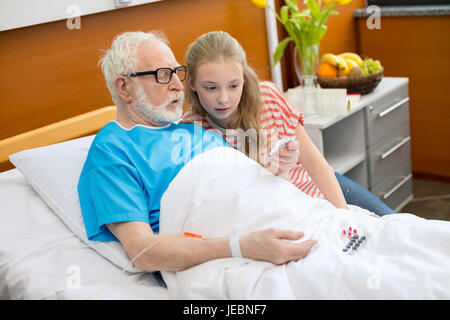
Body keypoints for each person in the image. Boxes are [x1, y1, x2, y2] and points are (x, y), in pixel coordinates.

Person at [77, 31, 317, 273]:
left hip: (284, 221)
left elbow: (245, 191)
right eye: (162, 75)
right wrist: (241, 247)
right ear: (124, 87)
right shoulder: (114, 150)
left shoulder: (194, 131)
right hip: (234, 255)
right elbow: (142, 252)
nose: (176, 85)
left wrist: (279, 170)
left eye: (176, 73)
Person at [181, 31, 395, 216]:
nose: (223, 98)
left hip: (312, 181)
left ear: (244, 78)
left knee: (388, 220)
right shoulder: (191, 130)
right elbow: (223, 201)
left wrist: (344, 215)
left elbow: (311, 158)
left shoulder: (269, 97)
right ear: (192, 83)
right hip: (279, 208)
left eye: (233, 85)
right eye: (211, 88)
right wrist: (270, 172)